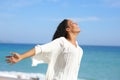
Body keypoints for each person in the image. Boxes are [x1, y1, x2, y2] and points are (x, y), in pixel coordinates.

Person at [6, 19, 83, 80]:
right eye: (73, 23)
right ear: (68, 29)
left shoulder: (79, 49)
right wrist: (21, 56)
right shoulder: (62, 41)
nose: (76, 23)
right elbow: (40, 49)